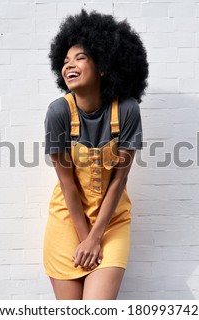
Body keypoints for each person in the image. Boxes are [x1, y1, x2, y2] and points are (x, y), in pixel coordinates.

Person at [43, 9, 148, 300]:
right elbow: (67, 184)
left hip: (111, 222)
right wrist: (83, 237)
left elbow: (119, 180)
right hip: (68, 218)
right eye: (65, 61)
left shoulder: (126, 110)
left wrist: (96, 237)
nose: (69, 65)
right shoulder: (58, 112)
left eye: (80, 58)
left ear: (102, 66)